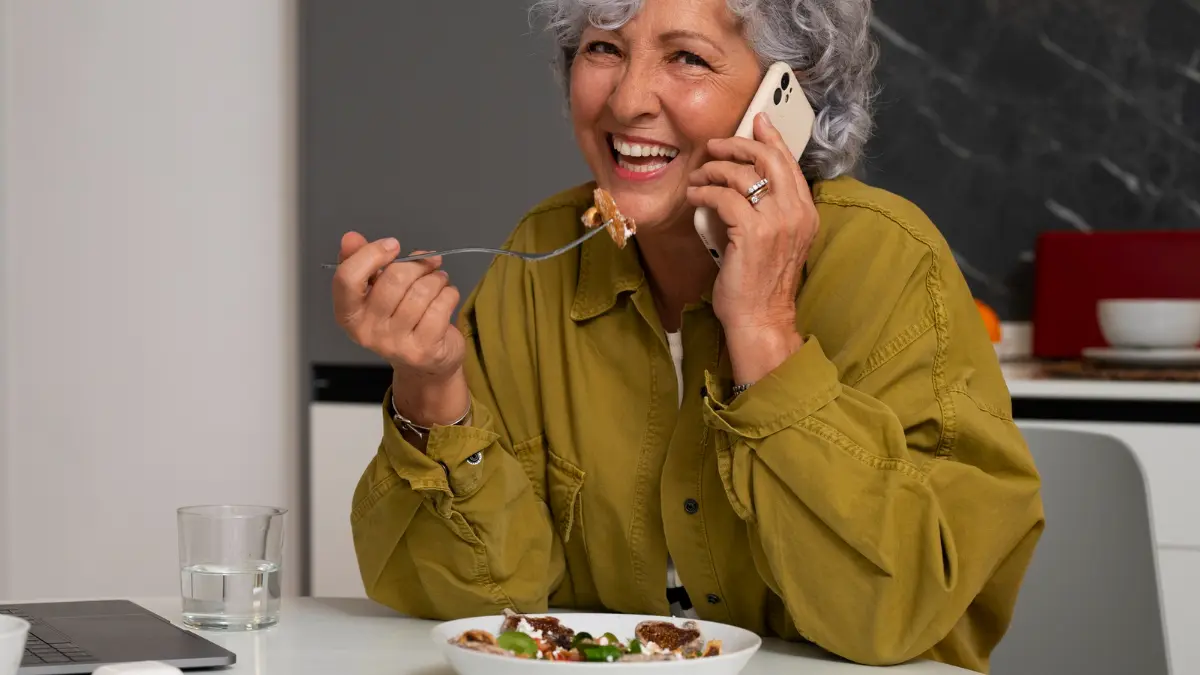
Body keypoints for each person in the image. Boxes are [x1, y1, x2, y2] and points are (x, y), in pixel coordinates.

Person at [333, 0, 1045, 671]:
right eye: (604, 49)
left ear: (786, 97)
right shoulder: (540, 256)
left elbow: (894, 616)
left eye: (688, 58)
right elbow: (481, 605)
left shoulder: (887, 262)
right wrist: (431, 390)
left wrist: (765, 330)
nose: (627, 101)